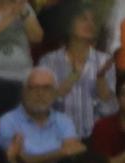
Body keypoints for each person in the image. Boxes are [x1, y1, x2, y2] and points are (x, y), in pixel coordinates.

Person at [0, 68, 84, 163]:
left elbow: (73, 154)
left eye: (46, 88)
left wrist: (64, 153)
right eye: (33, 88)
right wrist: (61, 153)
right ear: (23, 92)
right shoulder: (6, 122)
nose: (40, 93)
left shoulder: (64, 121)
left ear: (54, 93)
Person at [40, 4, 116, 140]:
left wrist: (101, 80)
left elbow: (110, 110)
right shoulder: (49, 61)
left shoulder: (104, 60)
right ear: (68, 24)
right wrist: (71, 78)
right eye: (83, 19)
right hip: (58, 137)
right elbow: (42, 103)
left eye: (93, 20)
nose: (90, 24)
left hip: (95, 137)